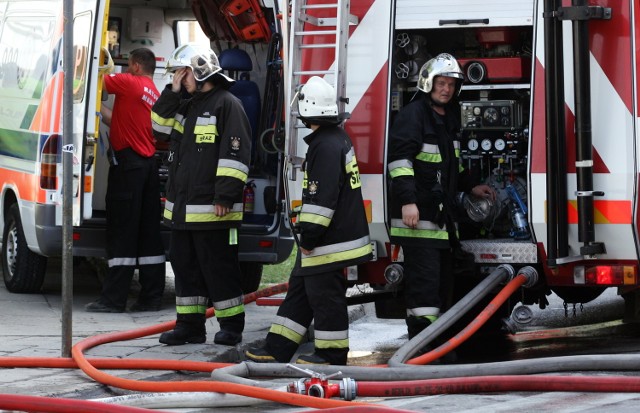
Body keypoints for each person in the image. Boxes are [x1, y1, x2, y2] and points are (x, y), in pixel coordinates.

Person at [245, 76, 373, 365]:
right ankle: (276, 349)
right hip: (331, 238)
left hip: (328, 243)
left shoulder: (324, 146)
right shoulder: (335, 138)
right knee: (301, 292)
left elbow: (321, 199)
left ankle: (331, 354)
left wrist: (309, 238)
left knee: (325, 297)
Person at [386, 53, 496, 341]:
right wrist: (408, 202)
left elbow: (451, 164)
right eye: (441, 83)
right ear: (428, 83)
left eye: (450, 84)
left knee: (442, 285)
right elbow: (399, 162)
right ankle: (421, 348)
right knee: (424, 288)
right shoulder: (414, 116)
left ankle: (437, 343)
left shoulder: (447, 118)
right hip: (417, 219)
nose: (446, 89)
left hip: (439, 222)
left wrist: (471, 186)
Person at [150, 44, 251, 346]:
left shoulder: (227, 104)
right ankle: (190, 326)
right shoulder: (186, 106)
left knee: (219, 269)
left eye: (184, 73)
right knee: (185, 267)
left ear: (201, 69)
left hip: (213, 209)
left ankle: (231, 327)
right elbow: (158, 128)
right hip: (183, 210)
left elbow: (236, 153)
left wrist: (225, 196)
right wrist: (172, 90)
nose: (181, 78)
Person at [86, 48, 166, 313]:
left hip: (128, 170)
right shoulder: (152, 91)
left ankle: (113, 299)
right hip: (147, 169)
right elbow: (117, 120)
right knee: (148, 235)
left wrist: (96, 55)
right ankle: (151, 297)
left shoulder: (129, 82)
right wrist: (94, 111)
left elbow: (94, 79)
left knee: (122, 232)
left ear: (134, 65)